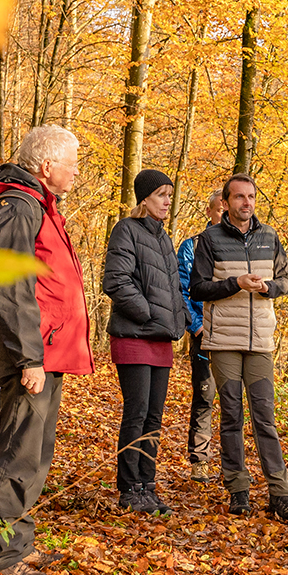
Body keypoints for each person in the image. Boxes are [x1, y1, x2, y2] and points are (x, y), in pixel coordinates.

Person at [0, 126, 93, 575]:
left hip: (47, 350)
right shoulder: (19, 205)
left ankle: (19, 544)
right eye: (72, 164)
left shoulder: (38, 205)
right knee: (18, 452)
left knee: (34, 453)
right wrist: (29, 358)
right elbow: (9, 285)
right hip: (32, 352)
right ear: (47, 166)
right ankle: (4, 555)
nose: (76, 172)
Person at [188, 174, 288, 522]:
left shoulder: (269, 236)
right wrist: (235, 283)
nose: (246, 203)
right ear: (226, 203)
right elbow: (197, 288)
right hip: (224, 341)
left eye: (251, 196)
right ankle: (238, 490)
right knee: (231, 415)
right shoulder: (210, 239)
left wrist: (269, 287)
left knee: (265, 417)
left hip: (261, 342)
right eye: (239, 197)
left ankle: (280, 494)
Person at [102, 169, 189, 515]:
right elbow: (116, 281)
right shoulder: (126, 229)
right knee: (136, 413)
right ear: (144, 199)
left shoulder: (164, 238)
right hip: (134, 336)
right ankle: (129, 489)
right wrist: (149, 314)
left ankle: (147, 486)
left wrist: (179, 319)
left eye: (169, 194)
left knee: (154, 416)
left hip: (161, 339)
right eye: (161, 195)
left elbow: (173, 288)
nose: (168, 201)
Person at [177, 190, 228, 483]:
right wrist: (196, 326)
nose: (225, 215)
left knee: (233, 400)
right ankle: (200, 462)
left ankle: (233, 464)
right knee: (205, 397)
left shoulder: (243, 246)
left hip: (235, 335)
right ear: (209, 211)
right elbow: (182, 290)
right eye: (220, 210)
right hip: (204, 335)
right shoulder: (191, 246)